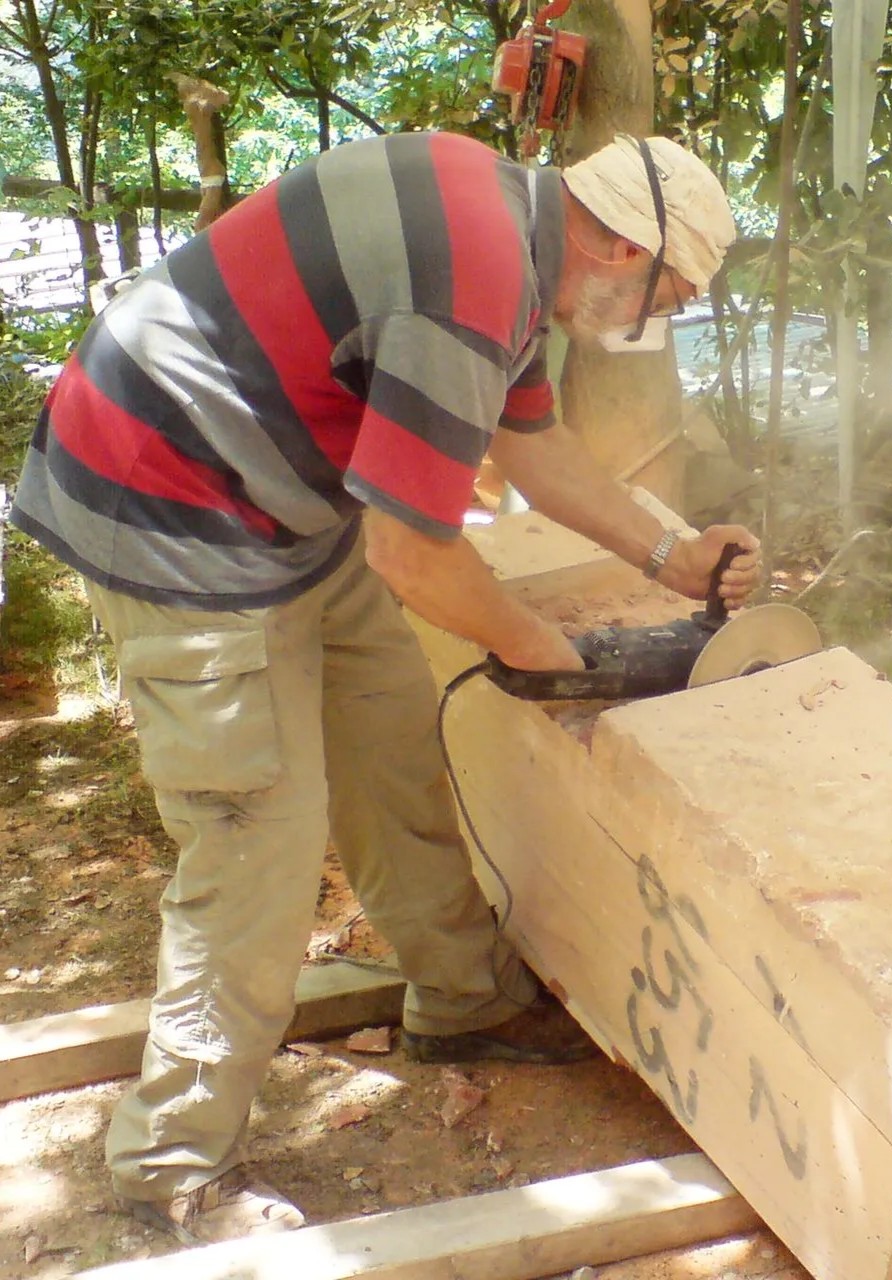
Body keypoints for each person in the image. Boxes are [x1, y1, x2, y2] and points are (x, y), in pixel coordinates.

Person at [10, 131, 761, 1245]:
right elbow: (417, 557)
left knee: (393, 735)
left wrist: (672, 556)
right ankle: (172, 1164)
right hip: (168, 502)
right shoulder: (472, 282)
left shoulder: (514, 240)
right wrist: (542, 646)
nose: (662, 312)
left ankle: (463, 1001)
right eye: (668, 287)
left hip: (289, 512)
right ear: (614, 238)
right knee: (255, 833)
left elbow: (539, 459)